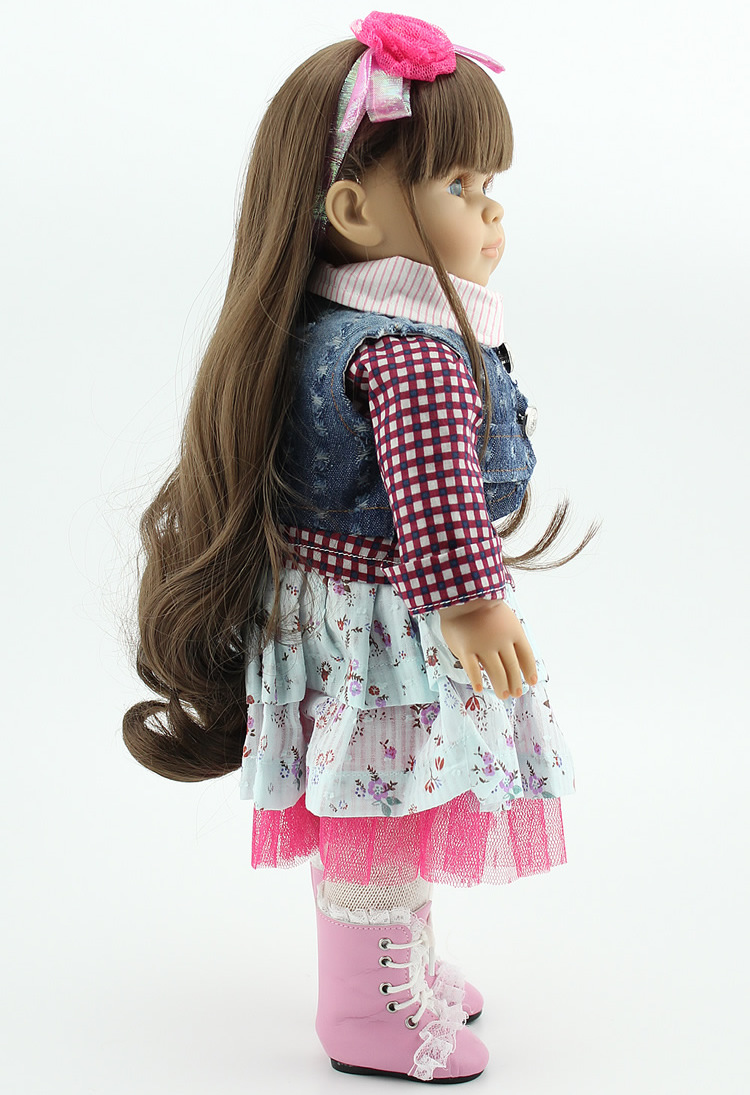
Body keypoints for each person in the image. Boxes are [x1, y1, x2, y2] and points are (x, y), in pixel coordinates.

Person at [123, 11, 593, 1084]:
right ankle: (366, 1004)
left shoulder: (326, 326)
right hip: (388, 627)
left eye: (489, 185)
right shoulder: (407, 352)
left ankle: (399, 965)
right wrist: (474, 602)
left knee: (388, 796)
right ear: (354, 209)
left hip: (342, 616)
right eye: (460, 185)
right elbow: (436, 500)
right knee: (380, 805)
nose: (493, 210)